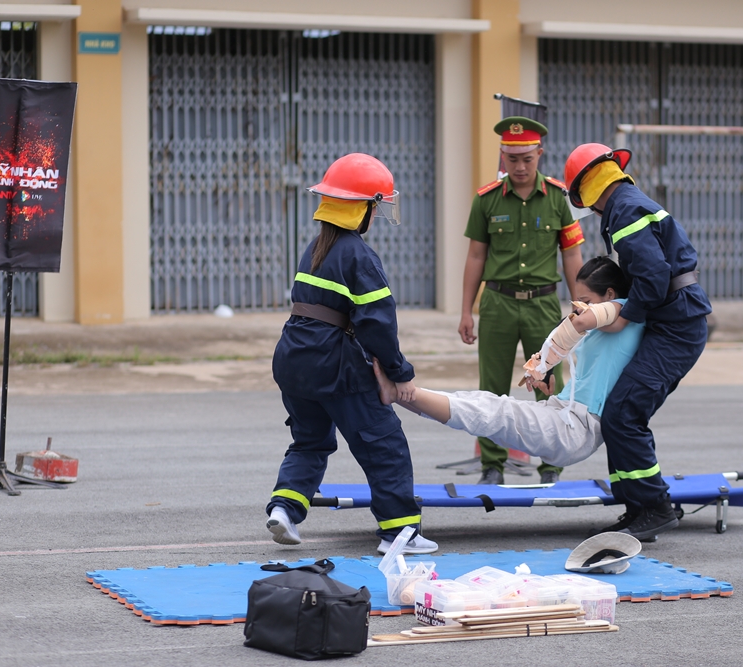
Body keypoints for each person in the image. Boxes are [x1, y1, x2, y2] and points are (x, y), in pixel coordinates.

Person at [267, 153, 437, 556]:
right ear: (361, 208)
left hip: (293, 359)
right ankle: (399, 534)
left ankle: (284, 509)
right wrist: (400, 371)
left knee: (309, 443)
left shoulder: (316, 247)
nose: (376, 215)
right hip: (335, 364)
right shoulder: (358, 254)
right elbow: (377, 323)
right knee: (384, 443)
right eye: (374, 207)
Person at [562, 143, 713, 542]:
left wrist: (624, 316)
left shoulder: (625, 210)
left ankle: (655, 507)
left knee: (624, 414)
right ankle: (638, 507)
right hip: (673, 322)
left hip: (677, 327)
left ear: (587, 190)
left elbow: (653, 274)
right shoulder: (628, 203)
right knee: (620, 413)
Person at [377, 257, 643, 469]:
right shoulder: (610, 320)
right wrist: (545, 370)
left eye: (584, 301)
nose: (578, 307)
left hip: (580, 429)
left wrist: (546, 359)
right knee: (483, 403)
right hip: (564, 412)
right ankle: (401, 394)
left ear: (610, 294)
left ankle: (402, 392)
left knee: (495, 413)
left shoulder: (624, 310)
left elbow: (581, 321)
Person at [459, 115, 586, 486]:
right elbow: (476, 257)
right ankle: (493, 465)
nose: (519, 166)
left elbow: (573, 255)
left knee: (549, 384)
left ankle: (551, 465)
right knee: (492, 386)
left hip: (543, 305)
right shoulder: (486, 200)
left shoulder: (559, 198)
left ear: (539, 154)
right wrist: (466, 310)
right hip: (497, 304)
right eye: (511, 159)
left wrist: (582, 306)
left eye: (527, 158)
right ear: (502, 156)